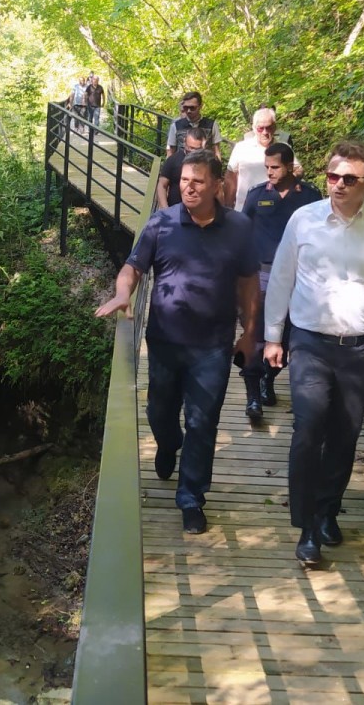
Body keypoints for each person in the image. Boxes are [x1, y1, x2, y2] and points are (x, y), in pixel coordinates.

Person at [263, 140, 364, 566]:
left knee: (344, 435)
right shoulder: (304, 220)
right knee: (308, 428)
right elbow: (281, 278)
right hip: (310, 342)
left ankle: (329, 509)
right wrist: (273, 336)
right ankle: (308, 527)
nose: (338, 185)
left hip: (360, 347)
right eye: (333, 176)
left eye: (349, 178)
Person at [96, 150, 259, 535]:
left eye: (198, 180)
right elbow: (132, 268)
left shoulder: (239, 228)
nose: (188, 186)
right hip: (165, 341)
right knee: (159, 413)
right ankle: (169, 443)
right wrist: (123, 294)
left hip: (213, 346)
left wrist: (251, 332)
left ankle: (191, 498)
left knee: (203, 422)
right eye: (185, 179)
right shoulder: (161, 224)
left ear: (217, 185)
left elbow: (249, 282)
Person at [239, 142, 321, 423]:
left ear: (288, 165)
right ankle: (252, 396)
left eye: (275, 167)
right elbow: (240, 231)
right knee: (256, 336)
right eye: (267, 168)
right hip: (261, 276)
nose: (270, 172)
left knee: (287, 338)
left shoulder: (310, 196)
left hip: (299, 278)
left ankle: (268, 379)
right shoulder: (257, 195)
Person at [224, 107, 301, 208]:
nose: (264, 132)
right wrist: (229, 208)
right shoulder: (241, 148)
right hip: (246, 208)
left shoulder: (283, 147)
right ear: (254, 128)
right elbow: (230, 178)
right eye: (260, 128)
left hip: (277, 207)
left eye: (268, 127)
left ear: (274, 127)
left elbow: (298, 169)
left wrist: (286, 184)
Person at [156, 127, 209, 209]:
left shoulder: (209, 163)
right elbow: (162, 185)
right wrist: (165, 209)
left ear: (204, 146)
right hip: (174, 211)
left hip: (201, 213)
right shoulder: (173, 160)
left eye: (197, 149)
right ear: (184, 142)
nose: (192, 152)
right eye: (190, 148)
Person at [165, 91, 222, 159]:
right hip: (182, 166)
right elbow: (170, 152)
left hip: (205, 166)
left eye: (192, 108)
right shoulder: (176, 126)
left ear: (200, 106)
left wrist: (218, 166)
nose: (188, 111)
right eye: (186, 107)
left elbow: (216, 150)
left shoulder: (211, 125)